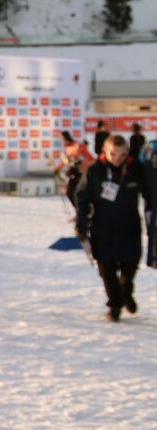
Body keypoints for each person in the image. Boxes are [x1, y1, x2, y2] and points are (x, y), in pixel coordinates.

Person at [76, 135, 150, 322]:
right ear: (105, 151)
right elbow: (82, 198)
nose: (118, 158)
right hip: (103, 228)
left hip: (129, 226)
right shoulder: (94, 171)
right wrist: (81, 224)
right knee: (106, 270)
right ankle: (115, 306)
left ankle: (125, 292)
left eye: (123, 154)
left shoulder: (136, 169)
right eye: (114, 154)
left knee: (129, 266)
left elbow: (150, 192)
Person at [55, 130, 96, 211]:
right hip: (74, 172)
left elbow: (91, 159)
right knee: (70, 192)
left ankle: (84, 211)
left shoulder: (78, 145)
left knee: (76, 192)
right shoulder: (68, 148)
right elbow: (66, 161)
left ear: (66, 138)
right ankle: (79, 211)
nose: (61, 141)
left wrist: (82, 164)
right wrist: (57, 168)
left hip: (81, 173)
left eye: (61, 139)